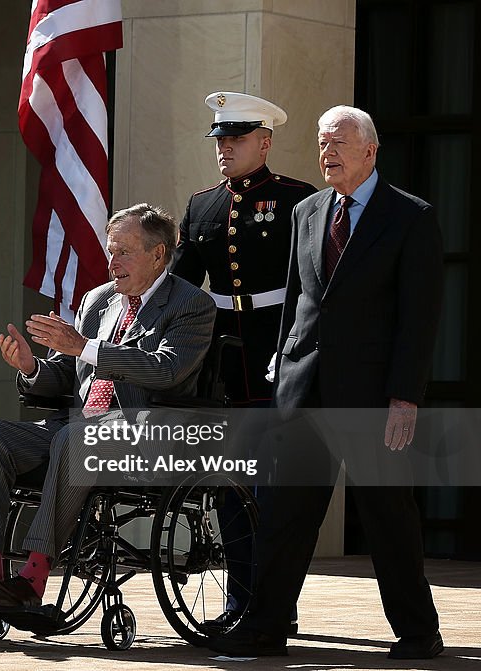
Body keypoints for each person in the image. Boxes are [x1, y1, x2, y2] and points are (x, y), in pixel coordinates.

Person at [208, 106, 445, 659]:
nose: (327, 152)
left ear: (370, 150)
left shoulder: (410, 217)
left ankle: (418, 632)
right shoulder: (309, 210)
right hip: (301, 392)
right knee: (284, 517)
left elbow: (420, 318)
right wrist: (280, 374)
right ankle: (265, 625)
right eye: (321, 142)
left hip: (372, 398)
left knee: (388, 517)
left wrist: (405, 396)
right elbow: (298, 302)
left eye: (339, 141)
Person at [0, 204, 215, 611]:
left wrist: (84, 346)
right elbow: (66, 374)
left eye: (124, 252)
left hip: (146, 432)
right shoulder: (98, 301)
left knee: (76, 440)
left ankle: (33, 579)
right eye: (111, 251)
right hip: (79, 425)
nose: (113, 262)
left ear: (158, 254)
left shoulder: (190, 304)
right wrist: (30, 367)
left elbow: (167, 370)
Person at [172, 91, 316, 631]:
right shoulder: (203, 204)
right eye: (220, 140)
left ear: (265, 141)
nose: (224, 148)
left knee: (272, 491)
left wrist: (296, 346)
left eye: (235, 139)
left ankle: (276, 602)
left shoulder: (298, 201)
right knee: (231, 485)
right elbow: (183, 287)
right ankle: (240, 599)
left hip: (278, 351)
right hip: (222, 363)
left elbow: (311, 286)